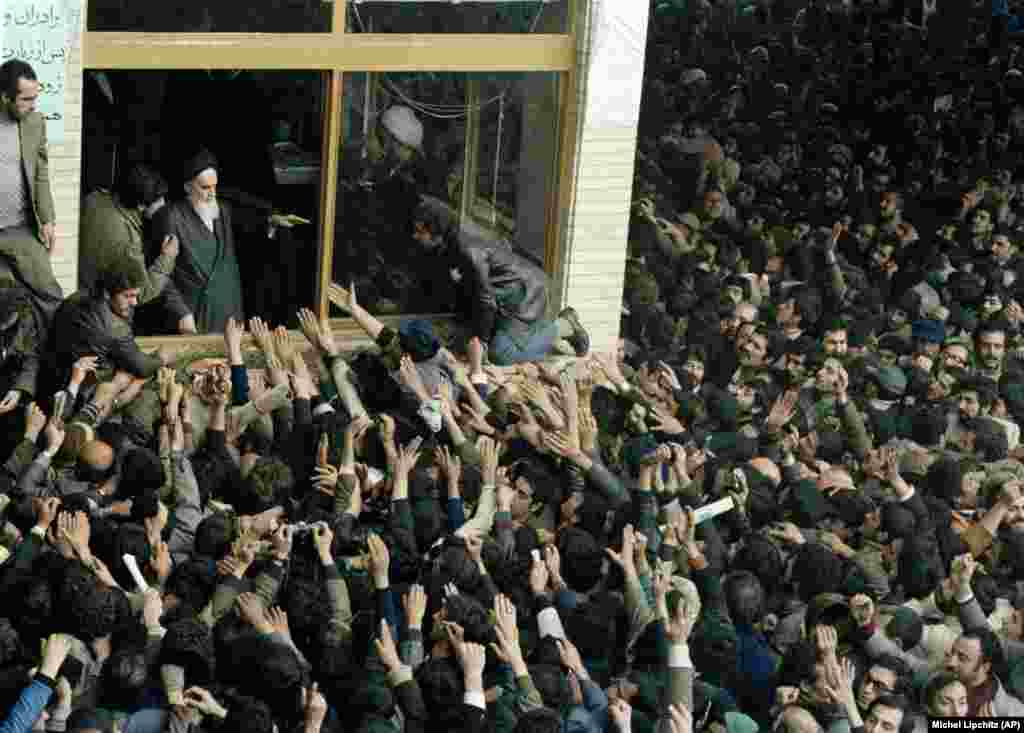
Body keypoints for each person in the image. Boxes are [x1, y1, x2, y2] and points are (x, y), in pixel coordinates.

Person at [410, 198, 590, 365]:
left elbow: (485, 299)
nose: (415, 236)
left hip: (523, 295)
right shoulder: (448, 245)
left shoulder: (469, 251)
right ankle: (541, 336)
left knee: (501, 355)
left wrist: (483, 344)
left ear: (437, 231)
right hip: (504, 297)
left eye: (420, 231)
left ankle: (562, 327)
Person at [150, 147, 244, 334]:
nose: (212, 194)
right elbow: (159, 272)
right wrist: (181, 312)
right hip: (194, 316)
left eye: (215, 187)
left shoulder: (222, 210)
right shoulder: (171, 216)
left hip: (229, 314)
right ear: (187, 187)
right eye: (205, 187)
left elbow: (251, 217)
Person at [78, 162, 184, 324]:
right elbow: (139, 293)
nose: (162, 203)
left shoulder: (93, 199)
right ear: (141, 206)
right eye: (157, 200)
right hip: (106, 318)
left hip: (81, 301)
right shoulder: (129, 244)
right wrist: (167, 258)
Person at [0, 59, 62, 327]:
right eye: (26, 99)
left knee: (49, 293)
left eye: (34, 97)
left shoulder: (35, 122)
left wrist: (47, 219)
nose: (32, 105)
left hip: (20, 229)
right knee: (7, 301)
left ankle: (59, 358)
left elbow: (40, 173)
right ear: (5, 97)